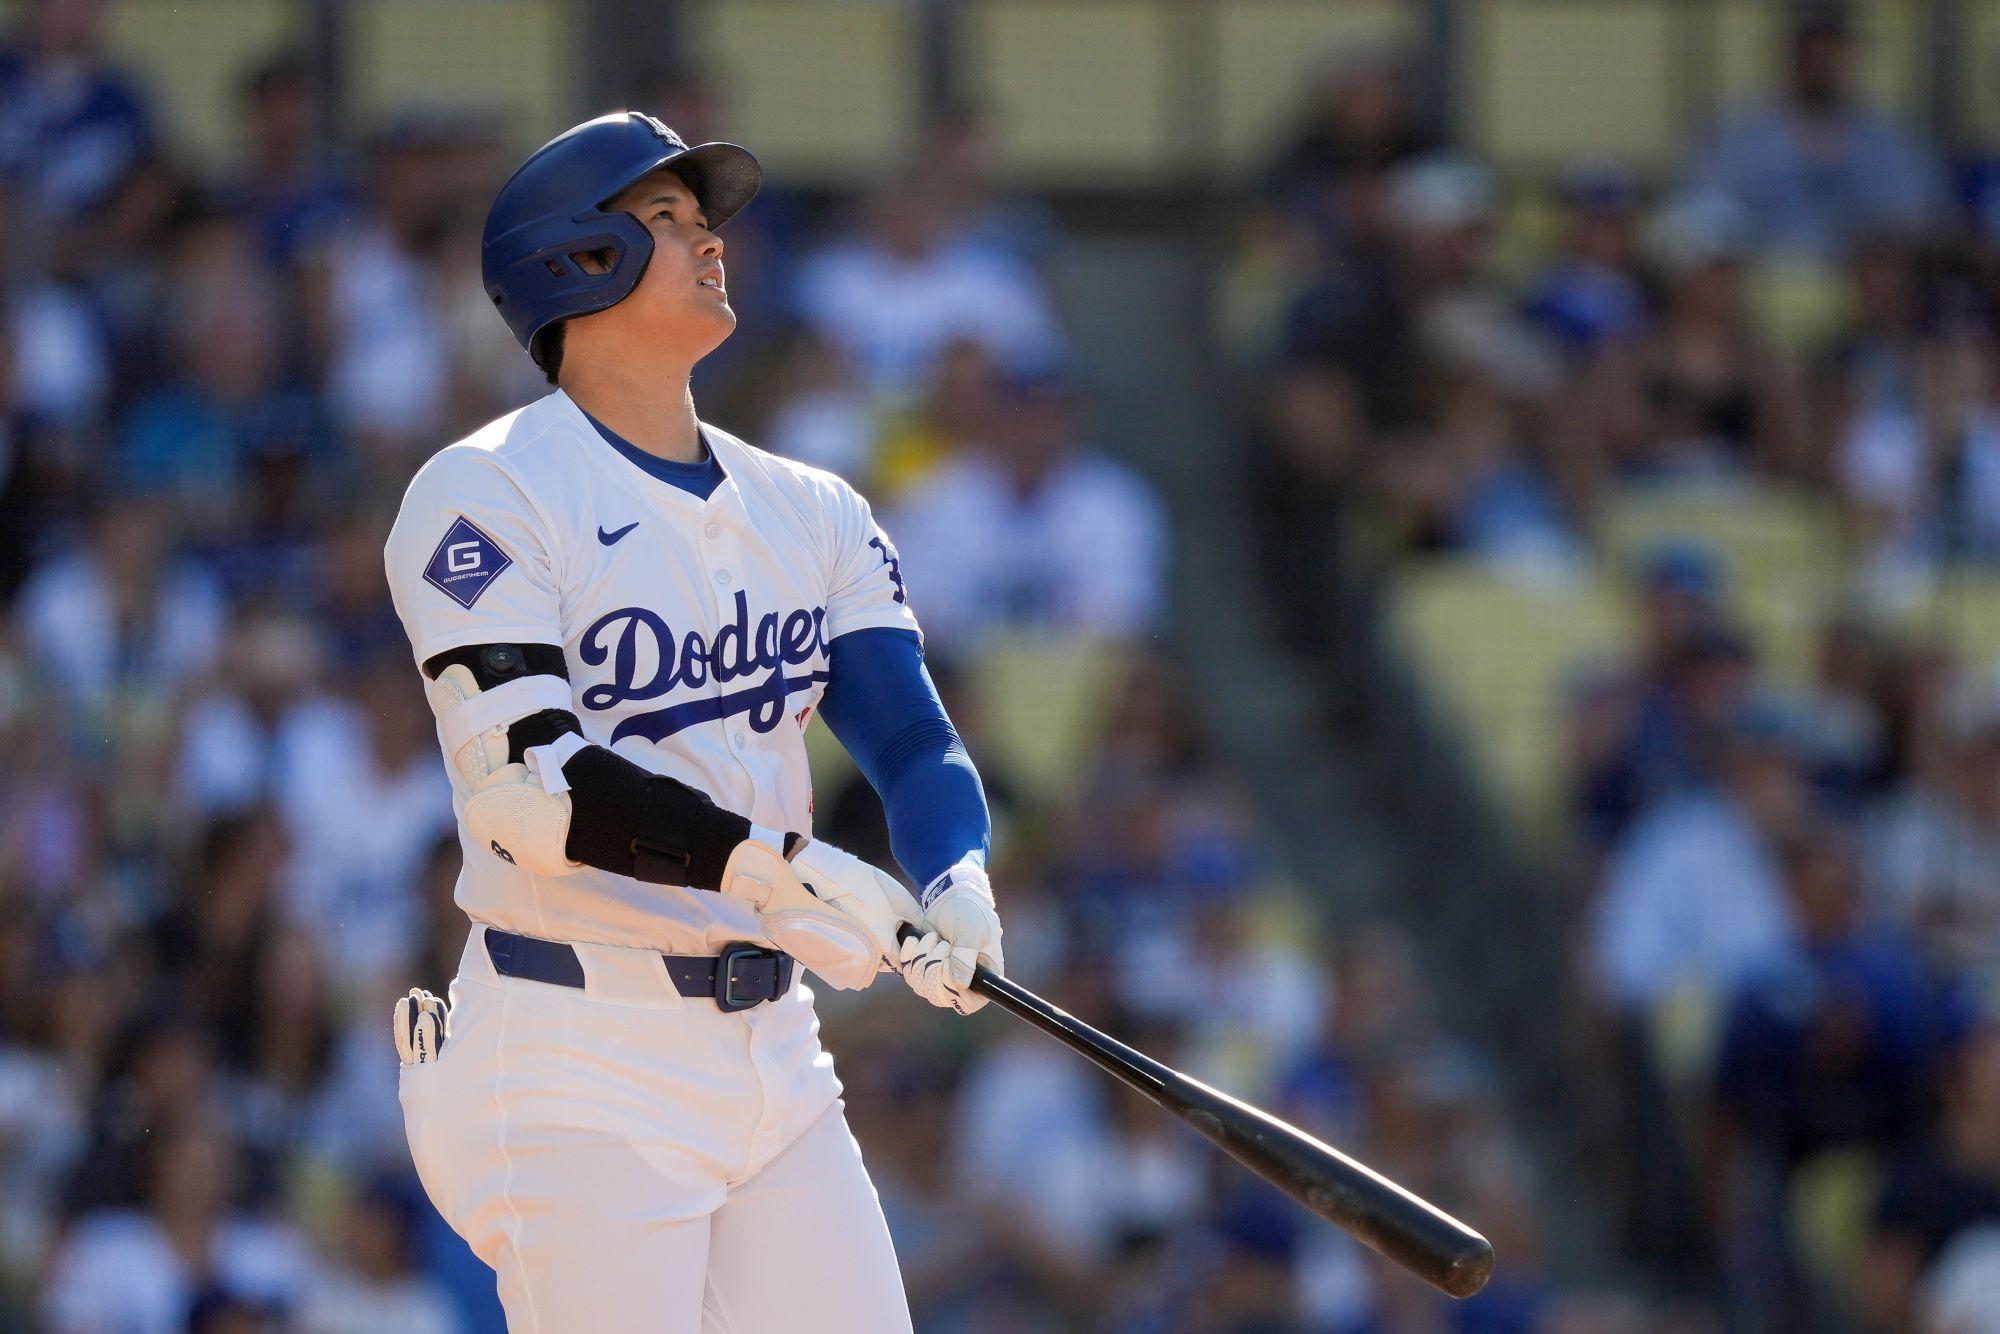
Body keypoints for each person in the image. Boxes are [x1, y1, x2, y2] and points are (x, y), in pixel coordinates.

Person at [382, 112, 1005, 1331]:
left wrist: (957, 875)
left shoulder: (809, 504)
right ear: (574, 261)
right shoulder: (486, 490)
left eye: (702, 214)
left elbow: (910, 740)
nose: (707, 236)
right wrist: (781, 868)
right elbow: (530, 789)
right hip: (572, 1044)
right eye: (663, 218)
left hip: (772, 1047)